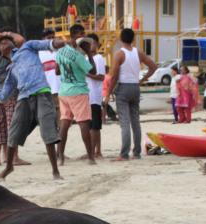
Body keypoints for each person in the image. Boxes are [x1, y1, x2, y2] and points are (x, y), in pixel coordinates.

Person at [0, 35, 66, 181]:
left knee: (48, 132)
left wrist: (58, 42)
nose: (4, 44)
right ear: (0, 52)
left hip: (42, 93)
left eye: (6, 41)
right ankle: (9, 166)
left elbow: (48, 44)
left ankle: (55, 170)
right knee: (13, 133)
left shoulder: (28, 47)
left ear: (13, 44)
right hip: (24, 99)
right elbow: (2, 97)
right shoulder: (10, 70)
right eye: (1, 44)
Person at [103, 28, 157, 161]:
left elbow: (114, 76)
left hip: (123, 87)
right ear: (133, 39)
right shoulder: (138, 53)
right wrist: (142, 80)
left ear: (121, 39)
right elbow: (153, 66)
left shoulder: (119, 54)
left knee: (125, 122)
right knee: (135, 121)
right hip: (135, 87)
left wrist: (108, 93)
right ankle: (137, 153)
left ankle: (124, 154)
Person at [0, 29, 30, 167]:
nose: (4, 44)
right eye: (3, 42)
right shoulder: (14, 53)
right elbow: (21, 40)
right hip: (9, 93)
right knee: (12, 125)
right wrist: (5, 34)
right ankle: (13, 157)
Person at [55, 24, 96, 165]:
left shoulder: (60, 51)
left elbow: (57, 71)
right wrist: (89, 54)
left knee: (64, 124)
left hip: (64, 91)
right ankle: (91, 157)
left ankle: (60, 157)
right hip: (78, 91)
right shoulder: (79, 56)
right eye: (81, 34)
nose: (83, 36)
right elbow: (93, 71)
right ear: (76, 35)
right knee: (84, 123)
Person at [86, 33, 106, 158]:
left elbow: (101, 77)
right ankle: (97, 151)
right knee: (94, 126)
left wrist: (86, 74)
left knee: (93, 126)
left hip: (94, 96)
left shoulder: (98, 58)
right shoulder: (86, 58)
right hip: (89, 95)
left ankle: (93, 152)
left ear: (98, 44)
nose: (90, 45)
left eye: (93, 42)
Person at [39, 28, 61, 123]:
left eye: (53, 37)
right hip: (47, 88)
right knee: (49, 110)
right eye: (48, 38)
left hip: (60, 86)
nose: (51, 40)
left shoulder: (59, 51)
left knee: (59, 108)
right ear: (43, 39)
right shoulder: (39, 53)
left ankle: (59, 129)